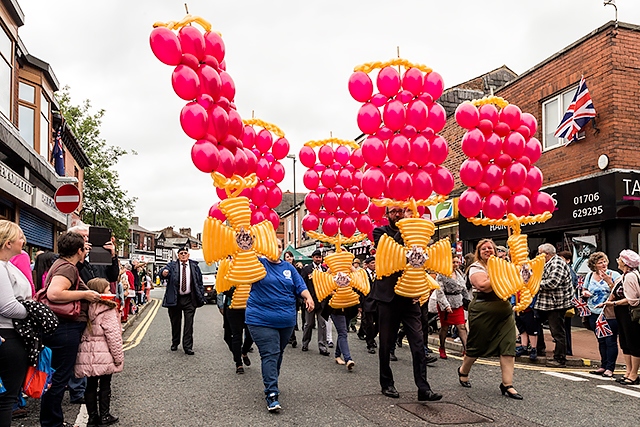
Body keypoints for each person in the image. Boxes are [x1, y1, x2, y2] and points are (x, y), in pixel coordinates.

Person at [371, 206, 442, 402]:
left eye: (402, 210)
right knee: (386, 343)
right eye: (394, 211)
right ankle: (386, 383)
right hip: (388, 297)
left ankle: (423, 388)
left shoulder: (416, 231)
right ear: (387, 215)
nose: (399, 214)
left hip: (410, 297)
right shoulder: (381, 232)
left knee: (418, 344)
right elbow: (390, 250)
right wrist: (408, 229)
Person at [40, 231, 102, 427]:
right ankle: (52, 423)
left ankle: (52, 420)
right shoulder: (67, 268)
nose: (86, 252)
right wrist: (85, 295)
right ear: (79, 250)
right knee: (58, 378)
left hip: (61, 328)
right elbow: (55, 294)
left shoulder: (61, 265)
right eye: (84, 249)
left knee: (55, 377)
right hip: (65, 328)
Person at [245, 238, 314, 412]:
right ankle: (272, 394)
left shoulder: (288, 268)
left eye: (279, 246)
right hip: (260, 319)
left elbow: (300, 286)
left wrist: (308, 297)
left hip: (286, 320)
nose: (276, 249)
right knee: (270, 353)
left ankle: (271, 380)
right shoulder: (258, 263)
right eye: (273, 245)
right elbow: (243, 259)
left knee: (278, 353)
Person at [457, 239, 522, 399]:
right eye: (484, 248)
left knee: (508, 346)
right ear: (478, 252)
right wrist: (505, 274)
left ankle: (507, 384)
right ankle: (463, 370)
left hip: (504, 310)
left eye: (491, 248)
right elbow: (483, 285)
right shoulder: (475, 267)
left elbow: (518, 282)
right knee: (476, 346)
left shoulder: (503, 265)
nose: (488, 250)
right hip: (483, 310)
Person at [74, 278, 123, 426]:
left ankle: (92, 418)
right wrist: (118, 358)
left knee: (90, 385)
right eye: (108, 290)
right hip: (104, 353)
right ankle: (105, 416)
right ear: (101, 292)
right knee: (105, 385)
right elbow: (113, 337)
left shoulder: (83, 307)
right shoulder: (107, 310)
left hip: (87, 353)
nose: (110, 292)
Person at [0, 221, 31, 427]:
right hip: (7, 335)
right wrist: (33, 311)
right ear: (8, 242)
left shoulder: (8, 266)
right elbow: (7, 307)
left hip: (11, 334)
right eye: (20, 237)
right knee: (5, 399)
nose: (24, 240)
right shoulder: (0, 267)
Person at [534, 243, 574, 368]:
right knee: (534, 323)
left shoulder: (557, 264)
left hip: (556, 304)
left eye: (539, 253)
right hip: (546, 303)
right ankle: (540, 349)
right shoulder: (547, 263)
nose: (537, 256)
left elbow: (552, 283)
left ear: (546, 254)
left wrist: (534, 283)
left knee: (557, 331)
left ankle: (560, 358)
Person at [604, 250, 640, 385]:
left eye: (619, 258)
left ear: (625, 262)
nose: (617, 260)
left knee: (633, 343)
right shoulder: (623, 276)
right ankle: (628, 372)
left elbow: (632, 300)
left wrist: (612, 303)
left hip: (630, 314)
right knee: (625, 343)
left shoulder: (631, 276)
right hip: (622, 314)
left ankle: (634, 374)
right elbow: (619, 291)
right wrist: (609, 283)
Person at [160, 247, 205, 355]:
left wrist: (201, 295)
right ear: (178, 255)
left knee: (189, 324)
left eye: (185, 253)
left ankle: (187, 347)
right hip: (176, 298)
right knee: (175, 323)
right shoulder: (172, 265)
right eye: (181, 253)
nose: (183, 255)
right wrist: (164, 273)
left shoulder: (194, 266)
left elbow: (199, 282)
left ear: (188, 255)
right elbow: (162, 272)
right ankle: (175, 342)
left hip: (189, 299)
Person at [583, 251, 621, 377]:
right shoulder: (589, 276)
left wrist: (609, 282)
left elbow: (619, 292)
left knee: (610, 340)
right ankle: (603, 365)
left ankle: (610, 368)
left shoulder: (614, 274)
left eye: (605, 261)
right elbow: (584, 289)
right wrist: (585, 293)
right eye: (600, 263)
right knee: (601, 341)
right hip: (594, 312)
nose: (604, 264)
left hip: (608, 313)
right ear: (594, 265)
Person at [434, 254, 469, 359]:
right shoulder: (441, 274)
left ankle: (467, 351)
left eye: (457, 262)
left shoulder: (459, 273)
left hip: (458, 303)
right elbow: (439, 291)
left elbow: (463, 289)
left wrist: (468, 301)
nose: (456, 264)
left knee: (461, 327)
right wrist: (445, 305)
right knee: (445, 327)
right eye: (453, 262)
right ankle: (442, 347)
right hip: (446, 303)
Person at [300, 249, 329, 355]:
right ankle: (305, 343)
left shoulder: (325, 270)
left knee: (322, 324)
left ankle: (322, 346)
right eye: (316, 257)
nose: (318, 259)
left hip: (322, 301)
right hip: (310, 301)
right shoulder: (307, 269)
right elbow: (302, 284)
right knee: (308, 324)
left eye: (320, 257)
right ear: (313, 258)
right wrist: (304, 298)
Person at [558, 250, 578, 356]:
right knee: (565, 327)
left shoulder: (568, 271)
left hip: (565, 303)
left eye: (561, 259)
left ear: (568, 260)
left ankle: (567, 350)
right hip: (567, 302)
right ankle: (567, 349)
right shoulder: (571, 271)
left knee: (564, 328)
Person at [359, 256, 378, 354]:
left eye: (375, 263)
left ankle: (372, 337)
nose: (374, 265)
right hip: (367, 302)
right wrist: (360, 305)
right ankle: (370, 343)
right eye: (372, 263)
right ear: (367, 264)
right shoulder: (363, 274)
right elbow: (360, 289)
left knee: (379, 324)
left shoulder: (379, 273)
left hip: (378, 302)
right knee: (369, 324)